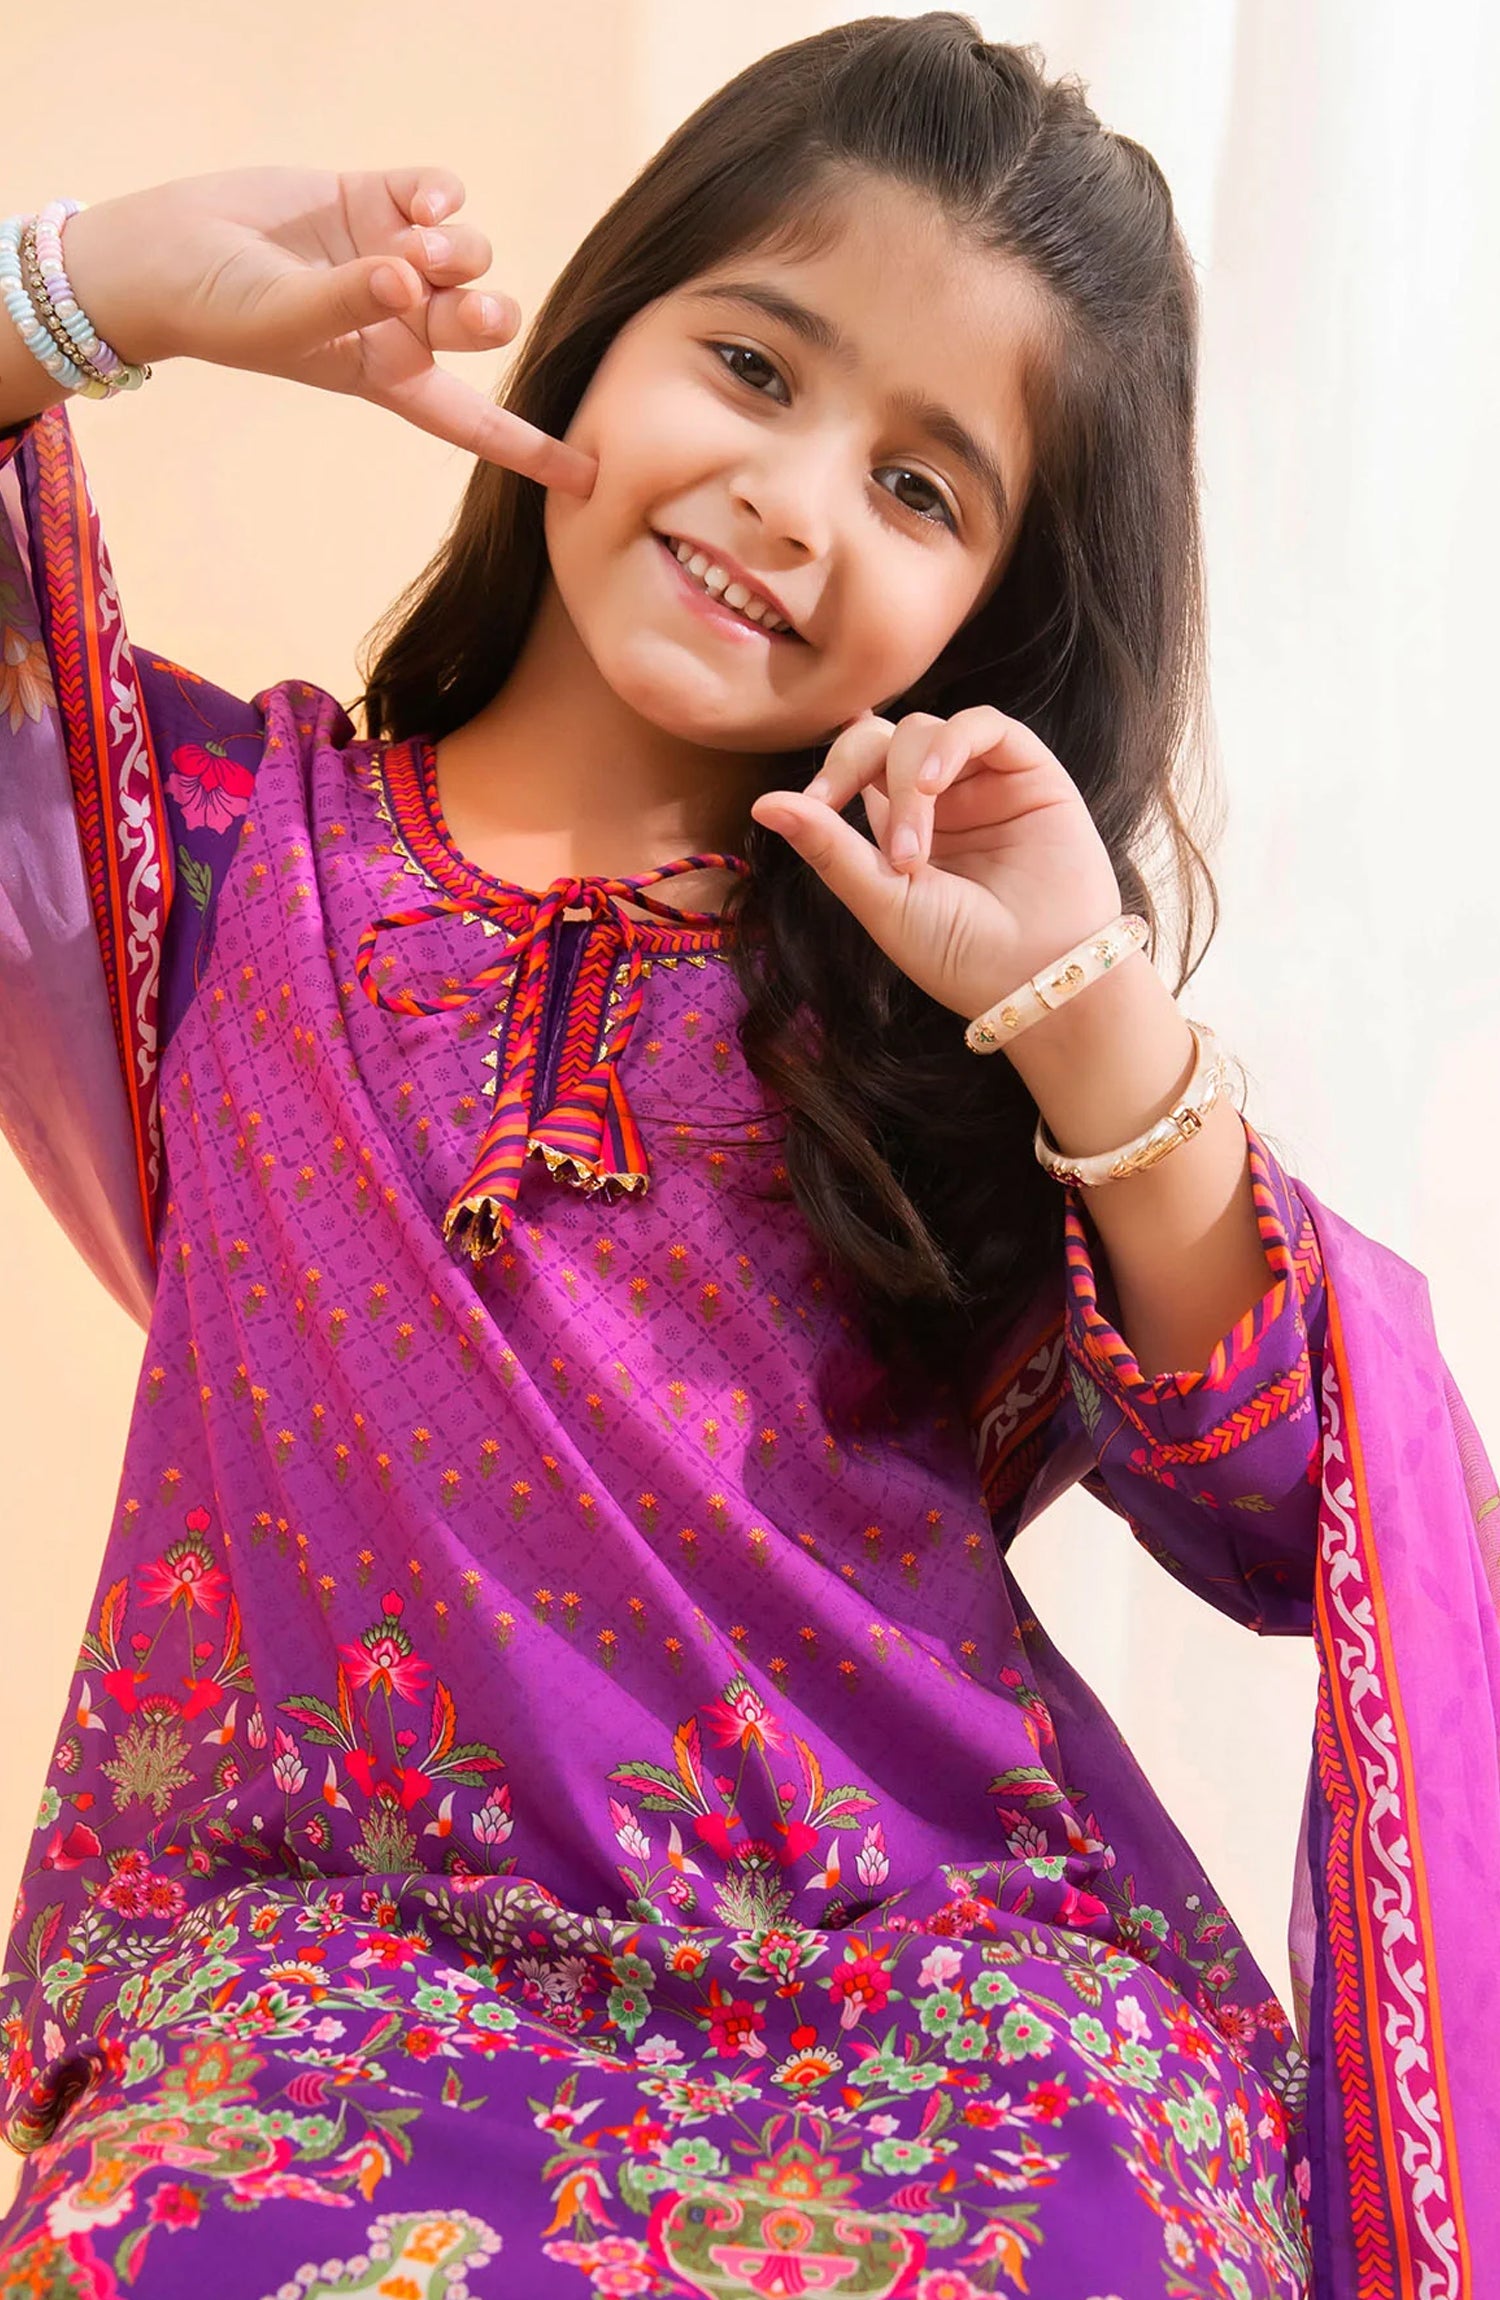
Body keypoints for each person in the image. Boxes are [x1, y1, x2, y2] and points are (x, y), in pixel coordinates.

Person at [0, 15, 1495, 2297]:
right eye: (755, 365)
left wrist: (1086, 1018)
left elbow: (1305, 1512)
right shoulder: (221, 863)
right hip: (321, 1993)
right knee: (165, 2245)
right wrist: (97, 288)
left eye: (924, 490)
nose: (798, 499)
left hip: (934, 1984)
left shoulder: (933, 1033)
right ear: (600, 335)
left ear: (992, 613)